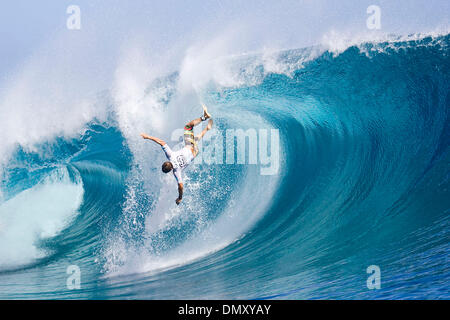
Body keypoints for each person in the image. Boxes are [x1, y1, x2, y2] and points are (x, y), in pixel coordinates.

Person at [141, 104, 213, 205]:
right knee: (188, 127)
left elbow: (181, 186)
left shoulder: (176, 172)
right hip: (190, 146)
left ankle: (207, 129)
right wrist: (147, 137)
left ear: (170, 170)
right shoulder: (170, 155)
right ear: (167, 162)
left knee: (196, 139)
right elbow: (161, 142)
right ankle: (204, 117)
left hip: (195, 152)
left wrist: (180, 198)